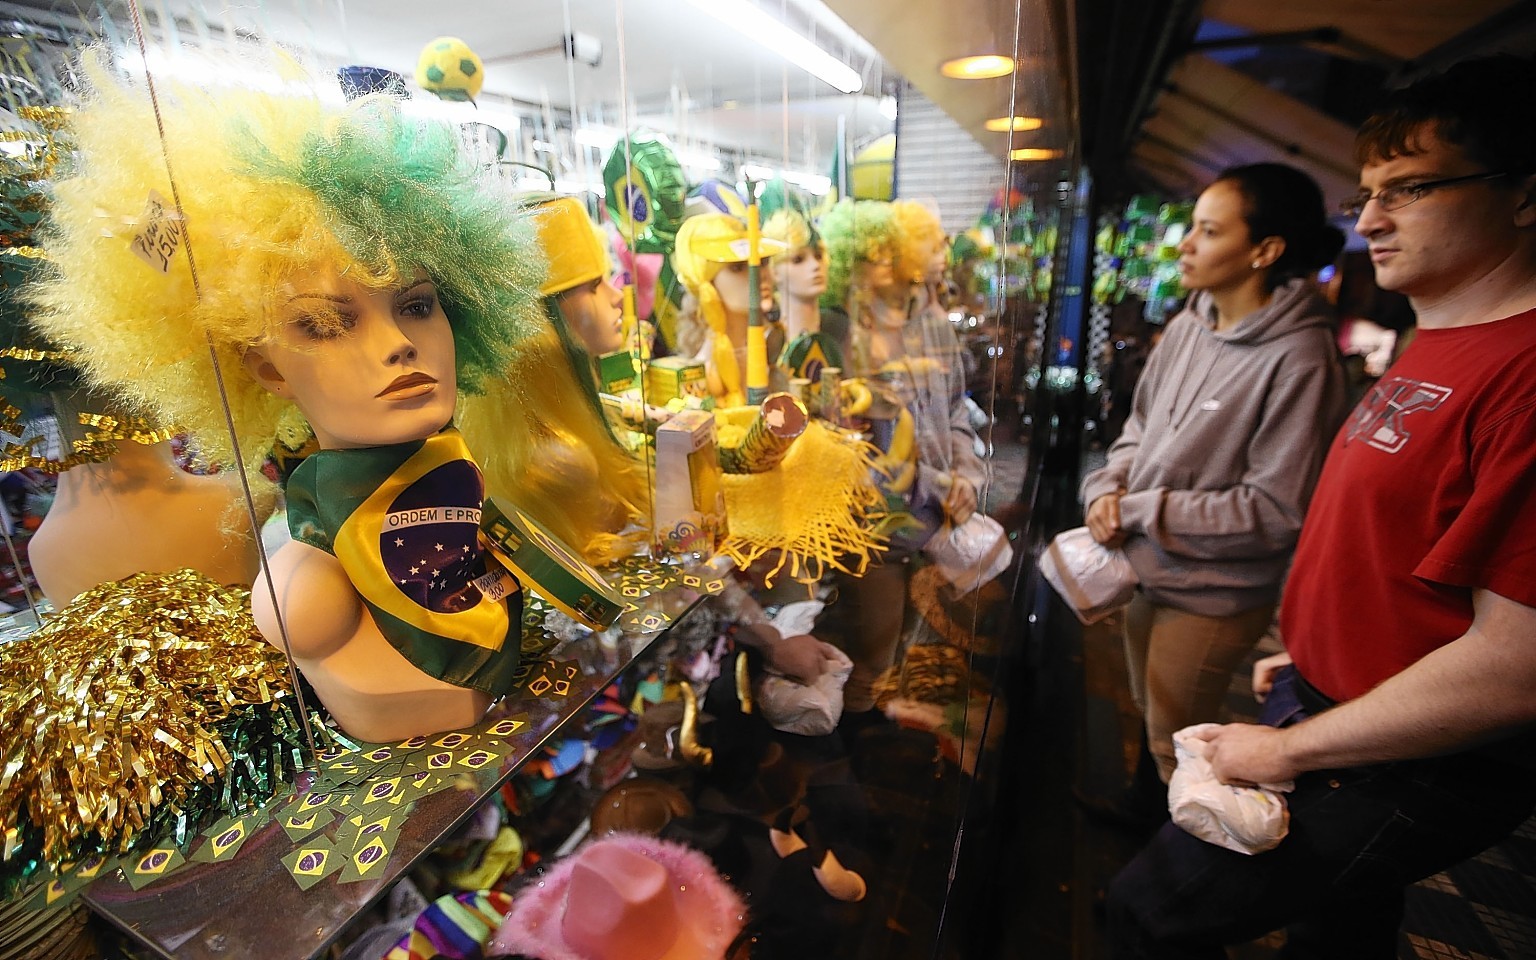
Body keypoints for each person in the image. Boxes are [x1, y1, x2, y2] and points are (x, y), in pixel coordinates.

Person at [1106, 54, 1536, 958]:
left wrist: (1298, 748)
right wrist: (1314, 653)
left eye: (1411, 188)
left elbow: (1514, 666)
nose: (1371, 219)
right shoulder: (1440, 333)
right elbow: (1399, 536)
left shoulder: (1523, 372)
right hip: (1332, 699)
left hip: (1411, 758)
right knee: (1339, 925)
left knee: (1146, 912)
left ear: (1523, 195)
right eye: (1367, 194)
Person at [1079, 163, 1349, 821]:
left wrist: (1139, 508)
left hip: (1214, 592)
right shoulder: (1190, 323)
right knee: (1153, 717)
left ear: (1265, 251)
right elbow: (1139, 426)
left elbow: (1276, 509)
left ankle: (1170, 887)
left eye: (1207, 231)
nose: (1186, 246)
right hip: (1146, 568)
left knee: (1186, 746)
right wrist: (1105, 487)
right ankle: (1143, 818)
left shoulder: (1301, 358)